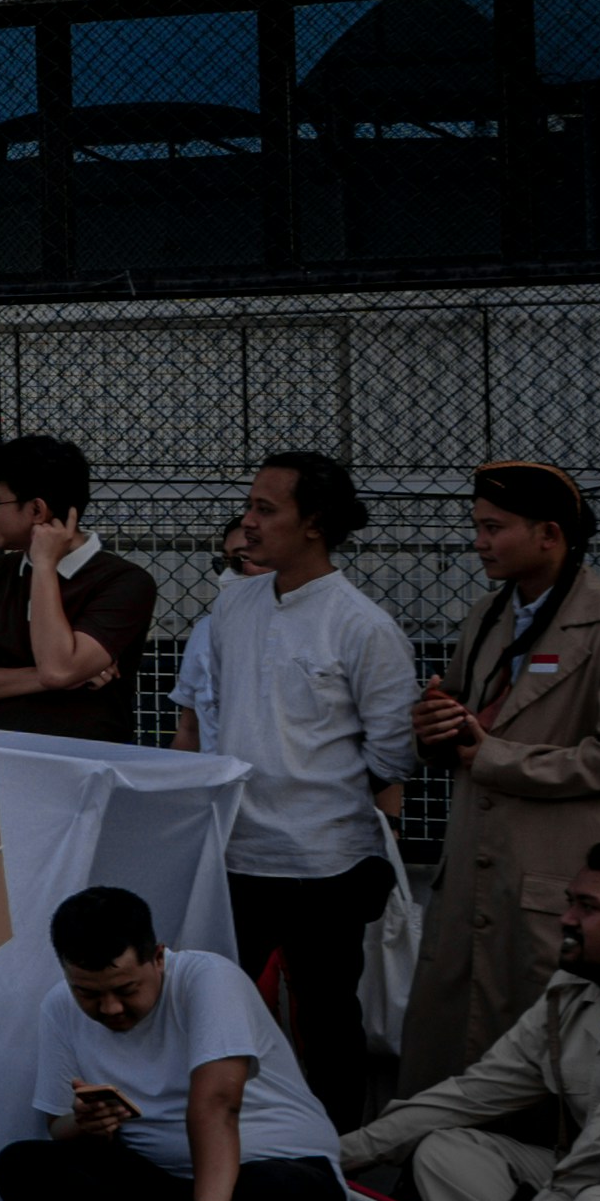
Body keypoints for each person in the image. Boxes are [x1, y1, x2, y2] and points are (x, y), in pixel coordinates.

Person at [174, 449, 415, 1121]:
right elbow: (220, 713)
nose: (246, 523)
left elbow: (393, 751)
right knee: (216, 1005)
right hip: (237, 853)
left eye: (264, 509)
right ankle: (219, 1135)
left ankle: (337, 1152)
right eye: (248, 505)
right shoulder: (232, 608)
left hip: (325, 863)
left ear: (313, 523)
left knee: (325, 1017)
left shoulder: (362, 625)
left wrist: (317, 790)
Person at [0, 883, 343, 1201]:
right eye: (88, 993)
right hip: (157, 1187)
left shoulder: (208, 979)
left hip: (255, 1180)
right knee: (19, 1163)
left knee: (284, 1194)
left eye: (126, 990)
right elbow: (58, 1127)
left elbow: (217, 1104)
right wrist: (86, 1124)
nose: (109, 1009)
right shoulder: (58, 1007)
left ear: (158, 957)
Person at [406, 461, 600, 1082]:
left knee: (544, 1051)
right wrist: (431, 729)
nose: (478, 541)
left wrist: (499, 759)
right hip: (476, 873)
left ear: (550, 535)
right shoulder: (489, 613)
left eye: (493, 527)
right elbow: (460, 716)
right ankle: (439, 1168)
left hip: (549, 881)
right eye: (477, 526)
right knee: (454, 1041)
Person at [343, 843, 600, 1201]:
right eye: (569, 902)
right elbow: (474, 1092)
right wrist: (338, 1155)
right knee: (444, 1152)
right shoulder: (569, 995)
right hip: (592, 1185)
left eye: (588, 908)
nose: (565, 919)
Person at [0, 435, 156, 748]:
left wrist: (44, 565)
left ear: (36, 510)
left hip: (85, 767)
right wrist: (53, 677)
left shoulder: (126, 582)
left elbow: (58, 668)